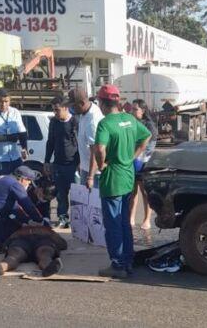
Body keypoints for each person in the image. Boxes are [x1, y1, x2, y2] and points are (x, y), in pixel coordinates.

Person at [94, 85, 151, 278]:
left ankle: (117, 264)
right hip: (127, 176)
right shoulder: (129, 119)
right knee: (125, 221)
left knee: (113, 224)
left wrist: (101, 165)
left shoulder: (105, 124)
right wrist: (134, 155)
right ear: (117, 102)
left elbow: (100, 148)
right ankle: (128, 260)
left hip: (112, 179)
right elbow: (147, 136)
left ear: (102, 103)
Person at [44, 96, 79, 228]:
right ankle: (63, 219)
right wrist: (47, 161)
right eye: (53, 110)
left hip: (73, 165)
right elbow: (50, 142)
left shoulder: (75, 121)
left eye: (57, 110)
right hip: (58, 164)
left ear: (65, 108)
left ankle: (78, 220)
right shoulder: (54, 122)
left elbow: (81, 143)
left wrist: (80, 163)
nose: (55, 113)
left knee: (76, 196)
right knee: (60, 195)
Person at [0, 224, 67, 277]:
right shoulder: (20, 229)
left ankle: (48, 268)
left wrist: (48, 234)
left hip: (43, 241)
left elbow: (63, 244)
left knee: (45, 253)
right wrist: (22, 233)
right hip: (22, 241)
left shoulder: (48, 231)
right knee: (15, 254)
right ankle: (0, 267)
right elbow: (6, 243)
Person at [0, 87, 28, 177]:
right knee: (1, 188)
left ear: (10, 100)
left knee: (18, 186)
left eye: (6, 101)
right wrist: (9, 138)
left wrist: (24, 148)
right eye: (0, 101)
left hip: (15, 157)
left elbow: (22, 132)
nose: (3, 104)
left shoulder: (15, 112)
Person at [129, 99, 158, 230]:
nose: (132, 111)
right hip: (131, 161)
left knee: (145, 192)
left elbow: (148, 147)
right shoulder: (130, 123)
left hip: (143, 162)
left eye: (135, 109)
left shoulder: (149, 125)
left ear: (143, 110)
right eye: (132, 109)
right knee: (132, 192)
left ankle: (147, 220)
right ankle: (131, 217)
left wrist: (137, 157)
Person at [68, 88, 103, 189]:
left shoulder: (92, 120)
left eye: (74, 106)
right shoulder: (84, 112)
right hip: (86, 167)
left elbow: (95, 151)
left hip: (94, 173)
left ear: (82, 103)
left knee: (94, 203)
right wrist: (81, 162)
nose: (72, 109)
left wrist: (90, 177)